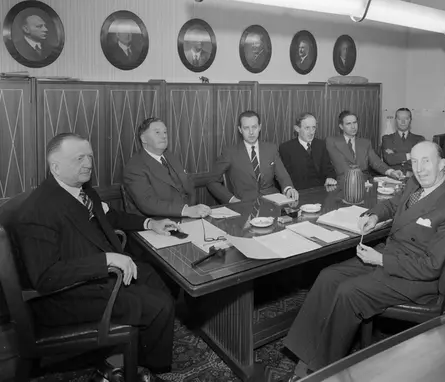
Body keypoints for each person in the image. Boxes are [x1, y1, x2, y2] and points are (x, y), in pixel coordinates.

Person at [283, 141, 445, 379]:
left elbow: (431, 267)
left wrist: (381, 260)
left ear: (442, 164)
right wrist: (373, 216)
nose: (419, 169)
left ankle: (320, 371)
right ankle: (304, 354)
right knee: (328, 276)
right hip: (392, 255)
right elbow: (393, 204)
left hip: (416, 278)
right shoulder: (415, 183)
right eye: (414, 162)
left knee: (348, 292)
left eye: (426, 161)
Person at [11, 133, 180, 381]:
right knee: (159, 305)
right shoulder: (37, 210)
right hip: (66, 296)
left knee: (158, 278)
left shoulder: (83, 192)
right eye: (79, 158)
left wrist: (149, 223)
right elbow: (46, 277)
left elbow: (111, 217)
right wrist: (106, 260)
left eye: (89, 157)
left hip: (96, 276)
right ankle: (147, 370)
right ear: (55, 167)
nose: (88, 163)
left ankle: (129, 358)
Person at [123, 117, 212, 218]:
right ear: (143, 138)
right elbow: (147, 203)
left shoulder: (170, 156)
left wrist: (196, 209)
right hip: (157, 221)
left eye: (165, 132)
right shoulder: (134, 167)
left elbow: (189, 187)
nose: (164, 136)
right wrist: (185, 211)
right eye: (157, 132)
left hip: (188, 215)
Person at [207, 111, 299, 203]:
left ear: (259, 127)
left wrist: (288, 189)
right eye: (246, 128)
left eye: (254, 127)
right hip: (244, 203)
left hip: (272, 202)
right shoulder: (230, 152)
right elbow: (211, 180)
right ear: (240, 130)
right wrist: (231, 199)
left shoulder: (271, 149)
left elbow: (283, 176)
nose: (251, 132)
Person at [327, 111, 403, 181]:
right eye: (348, 124)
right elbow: (341, 166)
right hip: (343, 182)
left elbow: (376, 162)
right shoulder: (332, 141)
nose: (353, 127)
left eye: (355, 122)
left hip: (365, 182)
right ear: (341, 126)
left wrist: (391, 172)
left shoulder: (365, 143)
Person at [279, 113, 337, 190]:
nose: (311, 132)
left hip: (321, 190)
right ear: (297, 129)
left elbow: (329, 169)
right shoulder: (286, 148)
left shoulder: (320, 145)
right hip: (299, 191)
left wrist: (330, 178)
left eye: (313, 128)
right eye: (307, 128)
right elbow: (283, 176)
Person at [381, 108, 425, 172]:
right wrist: (410, 155)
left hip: (413, 176)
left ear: (410, 120)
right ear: (395, 120)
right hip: (393, 176)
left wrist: (396, 155)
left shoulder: (419, 139)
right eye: (399, 119)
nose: (403, 122)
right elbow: (390, 160)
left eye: (406, 119)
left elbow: (420, 161)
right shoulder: (387, 139)